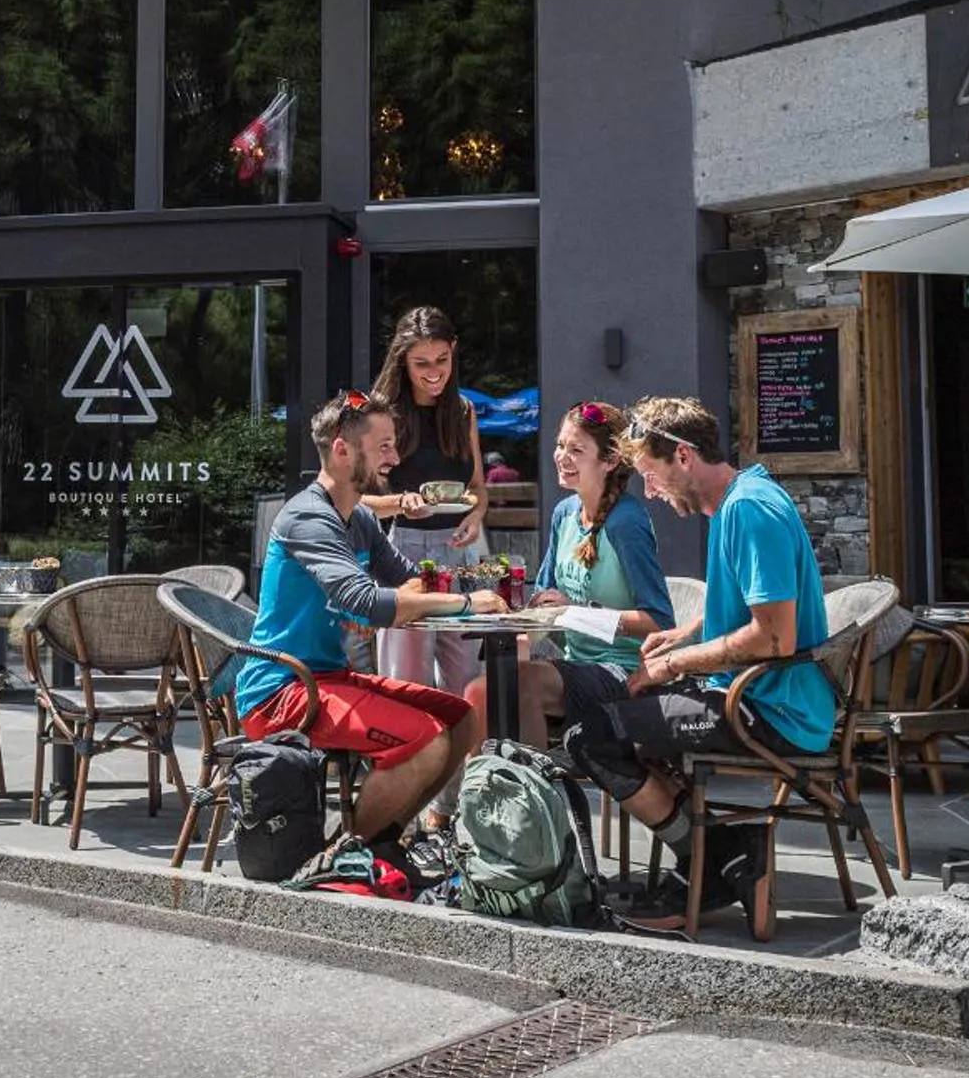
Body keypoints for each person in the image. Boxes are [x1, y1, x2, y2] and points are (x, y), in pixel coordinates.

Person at [565, 395, 836, 937]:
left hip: (771, 710)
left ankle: (713, 864)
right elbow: (748, 609)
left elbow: (776, 637)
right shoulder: (742, 500)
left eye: (652, 475)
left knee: (590, 738)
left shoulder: (749, 509)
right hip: (759, 698)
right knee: (618, 720)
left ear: (683, 457)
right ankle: (724, 857)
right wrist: (686, 633)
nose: (650, 492)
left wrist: (675, 665)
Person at [238, 389, 507, 848]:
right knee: (425, 740)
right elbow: (365, 600)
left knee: (461, 718)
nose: (396, 457)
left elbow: (408, 582)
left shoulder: (358, 517)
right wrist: (464, 605)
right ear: (342, 450)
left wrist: (484, 588)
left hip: (328, 678)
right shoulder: (308, 517)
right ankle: (349, 855)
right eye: (383, 446)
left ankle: (386, 844)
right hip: (281, 690)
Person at [467, 401, 674, 749]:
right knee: (481, 691)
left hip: (625, 671)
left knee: (520, 685)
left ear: (610, 461)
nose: (562, 456)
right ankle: (483, 796)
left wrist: (576, 612)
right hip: (574, 665)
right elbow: (544, 599)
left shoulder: (626, 523)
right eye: (560, 445)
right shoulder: (565, 514)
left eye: (576, 450)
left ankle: (534, 795)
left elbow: (660, 621)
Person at [365, 307, 487, 698]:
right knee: (409, 684)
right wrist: (401, 502)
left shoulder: (463, 410)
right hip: (403, 552)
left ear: (454, 350)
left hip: (461, 554)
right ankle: (416, 759)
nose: (434, 372)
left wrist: (477, 514)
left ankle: (469, 761)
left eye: (442, 360)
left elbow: (477, 487)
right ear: (402, 361)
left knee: (467, 683)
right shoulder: (382, 415)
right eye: (421, 363)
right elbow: (357, 499)